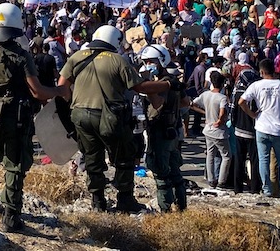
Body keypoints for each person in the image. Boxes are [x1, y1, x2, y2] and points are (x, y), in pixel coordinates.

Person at [0, 3, 66, 231]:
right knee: (14, 163)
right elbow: (37, 91)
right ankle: (10, 216)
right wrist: (60, 92)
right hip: (15, 117)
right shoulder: (22, 56)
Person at [57, 25, 176, 213]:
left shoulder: (76, 57)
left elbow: (62, 87)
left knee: (92, 158)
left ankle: (97, 202)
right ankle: (125, 199)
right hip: (107, 116)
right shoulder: (118, 60)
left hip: (80, 115)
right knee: (124, 156)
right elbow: (140, 87)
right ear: (115, 41)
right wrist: (167, 84)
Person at [140, 44, 190, 212]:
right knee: (175, 172)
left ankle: (166, 212)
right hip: (172, 131)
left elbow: (156, 103)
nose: (148, 65)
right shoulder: (173, 81)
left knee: (161, 174)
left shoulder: (162, 84)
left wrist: (147, 87)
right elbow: (185, 102)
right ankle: (181, 208)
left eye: (151, 61)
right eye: (146, 62)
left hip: (160, 132)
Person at [239, 58, 280, 198]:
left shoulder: (256, 85)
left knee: (263, 159)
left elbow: (241, 101)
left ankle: (267, 190)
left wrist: (252, 114)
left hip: (262, 127)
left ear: (261, 71)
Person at [190, 71, 231, 188]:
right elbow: (223, 112)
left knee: (210, 154)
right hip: (218, 131)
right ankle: (221, 181)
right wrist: (220, 120)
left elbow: (192, 104)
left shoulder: (205, 94)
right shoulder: (222, 98)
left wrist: (205, 113)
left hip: (208, 128)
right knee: (226, 156)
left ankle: (211, 179)